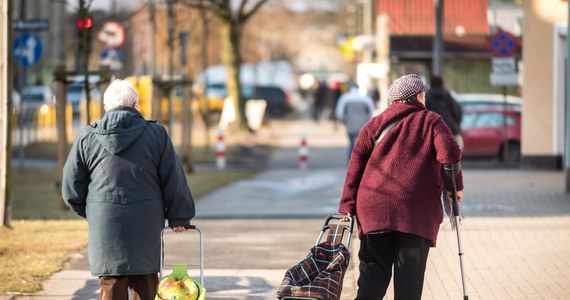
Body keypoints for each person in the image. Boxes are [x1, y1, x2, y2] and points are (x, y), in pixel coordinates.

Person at [61, 79, 196, 300]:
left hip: (106, 225)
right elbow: (174, 178)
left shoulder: (86, 137)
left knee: (111, 286)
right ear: (135, 105)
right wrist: (179, 216)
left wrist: (93, 211)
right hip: (146, 224)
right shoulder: (156, 134)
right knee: (145, 285)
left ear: (106, 108)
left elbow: (70, 187)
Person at [337, 74, 464, 300]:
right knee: (408, 284)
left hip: (373, 209)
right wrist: (455, 189)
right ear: (417, 97)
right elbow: (450, 154)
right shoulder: (431, 121)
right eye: (422, 95)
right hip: (414, 214)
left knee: (372, 278)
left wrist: (346, 207)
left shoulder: (374, 124)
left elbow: (354, 167)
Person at [334, 84, 376, 162]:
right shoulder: (365, 99)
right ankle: (361, 161)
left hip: (350, 126)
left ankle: (350, 162)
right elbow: (371, 113)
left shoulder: (344, 98)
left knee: (351, 143)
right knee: (361, 144)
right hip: (362, 126)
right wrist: (366, 121)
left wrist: (345, 121)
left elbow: (339, 114)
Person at [426, 75, 463, 148]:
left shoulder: (427, 98)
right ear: (441, 83)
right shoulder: (447, 95)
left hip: (434, 132)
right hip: (450, 130)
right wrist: (456, 124)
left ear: (431, 84)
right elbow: (457, 111)